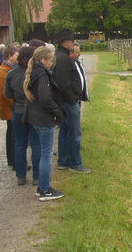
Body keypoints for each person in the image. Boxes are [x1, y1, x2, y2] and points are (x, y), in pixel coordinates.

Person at [23, 46, 65, 201]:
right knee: (46, 154)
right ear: (43, 60)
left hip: (36, 118)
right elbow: (45, 98)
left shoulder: (34, 72)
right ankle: (45, 189)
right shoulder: (42, 75)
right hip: (44, 119)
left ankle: (42, 186)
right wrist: (57, 112)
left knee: (41, 152)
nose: (52, 63)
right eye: (51, 61)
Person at [52, 30, 90, 173]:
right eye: (71, 41)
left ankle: (64, 161)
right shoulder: (63, 59)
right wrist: (72, 99)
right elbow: (62, 83)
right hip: (68, 102)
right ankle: (75, 163)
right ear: (64, 42)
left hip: (65, 101)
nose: (72, 43)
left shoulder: (61, 56)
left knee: (65, 131)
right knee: (74, 132)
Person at [4, 46, 41, 186]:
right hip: (33, 110)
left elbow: (7, 94)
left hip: (18, 111)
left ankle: (21, 175)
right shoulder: (35, 74)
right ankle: (36, 176)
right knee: (36, 143)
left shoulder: (11, 74)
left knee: (19, 144)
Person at [0, 46, 18, 169]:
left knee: (11, 134)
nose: (18, 58)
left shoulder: (9, 69)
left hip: (11, 109)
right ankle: (14, 161)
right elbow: (5, 93)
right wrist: (16, 105)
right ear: (10, 56)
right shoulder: (3, 72)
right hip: (10, 109)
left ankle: (12, 159)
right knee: (13, 135)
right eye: (16, 55)